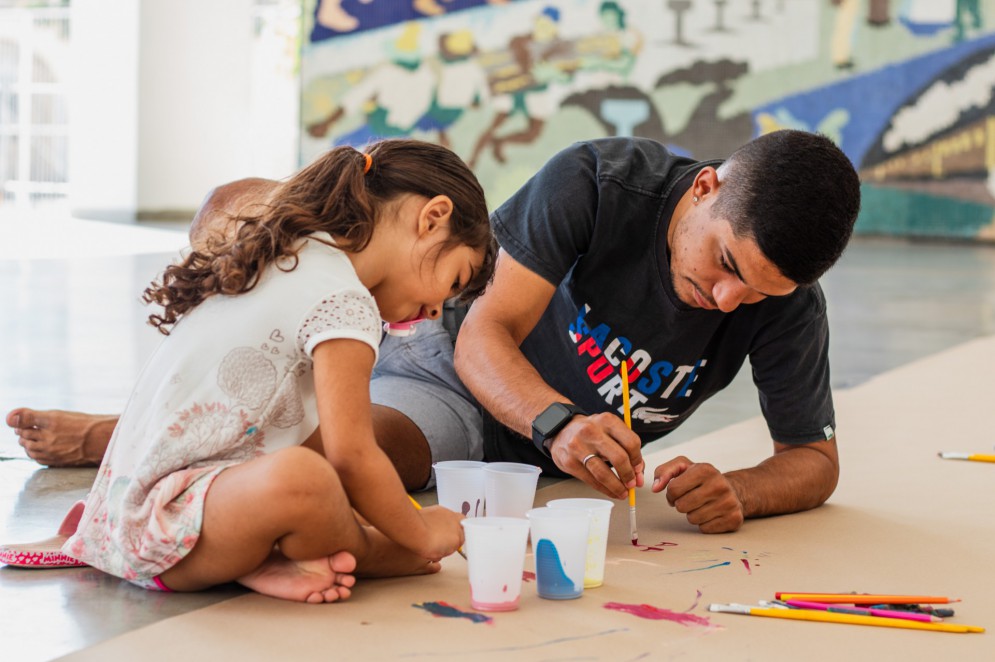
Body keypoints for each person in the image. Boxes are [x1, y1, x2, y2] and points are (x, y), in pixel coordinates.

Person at [9, 129, 860, 536]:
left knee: (326, 460)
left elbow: (813, 461)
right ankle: (128, 438)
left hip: (546, 460)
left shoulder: (783, 299)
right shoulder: (599, 183)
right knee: (337, 457)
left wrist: (740, 490)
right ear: (705, 186)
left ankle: (154, 435)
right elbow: (484, 331)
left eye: (756, 293)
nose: (723, 297)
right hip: (459, 384)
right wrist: (556, 423)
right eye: (723, 263)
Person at [8, 139, 497, 602]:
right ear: (433, 217)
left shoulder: (285, 252)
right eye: (454, 281)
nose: (437, 312)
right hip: (164, 540)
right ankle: (369, 554)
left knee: (311, 468)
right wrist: (419, 533)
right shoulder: (346, 304)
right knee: (308, 477)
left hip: (125, 515)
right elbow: (352, 454)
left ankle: (256, 563)